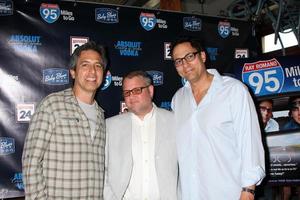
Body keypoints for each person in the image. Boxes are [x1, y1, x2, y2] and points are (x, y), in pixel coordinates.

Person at [170, 37, 265, 200]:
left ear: (203, 56)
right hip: (189, 194)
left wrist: (248, 191)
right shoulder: (178, 99)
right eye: (178, 61)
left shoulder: (234, 91)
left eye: (189, 57)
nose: (185, 64)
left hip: (229, 193)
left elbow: (249, 142)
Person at [22, 41, 107, 199]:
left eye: (98, 66)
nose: (92, 71)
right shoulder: (52, 105)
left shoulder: (101, 115)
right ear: (73, 72)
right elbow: (30, 162)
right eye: (85, 65)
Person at [104, 70, 179, 200]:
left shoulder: (175, 122)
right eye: (127, 93)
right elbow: (102, 169)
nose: (131, 96)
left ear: (150, 91)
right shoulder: (110, 126)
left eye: (137, 90)